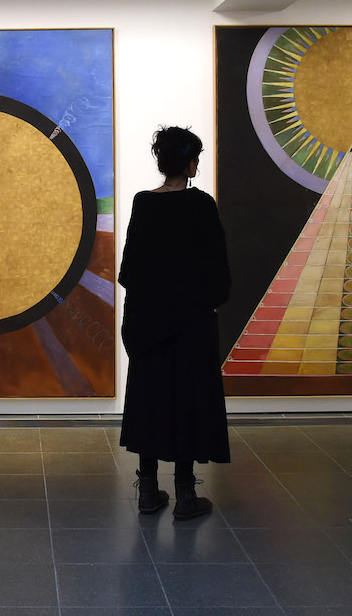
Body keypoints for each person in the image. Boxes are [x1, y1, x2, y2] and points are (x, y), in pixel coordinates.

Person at [118, 125, 231, 519]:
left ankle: (148, 490)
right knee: (188, 401)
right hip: (191, 323)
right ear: (188, 161)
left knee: (150, 400)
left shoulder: (143, 203)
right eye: (195, 156)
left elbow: (129, 269)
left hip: (150, 323)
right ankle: (185, 494)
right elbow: (216, 268)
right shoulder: (201, 205)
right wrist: (210, 301)